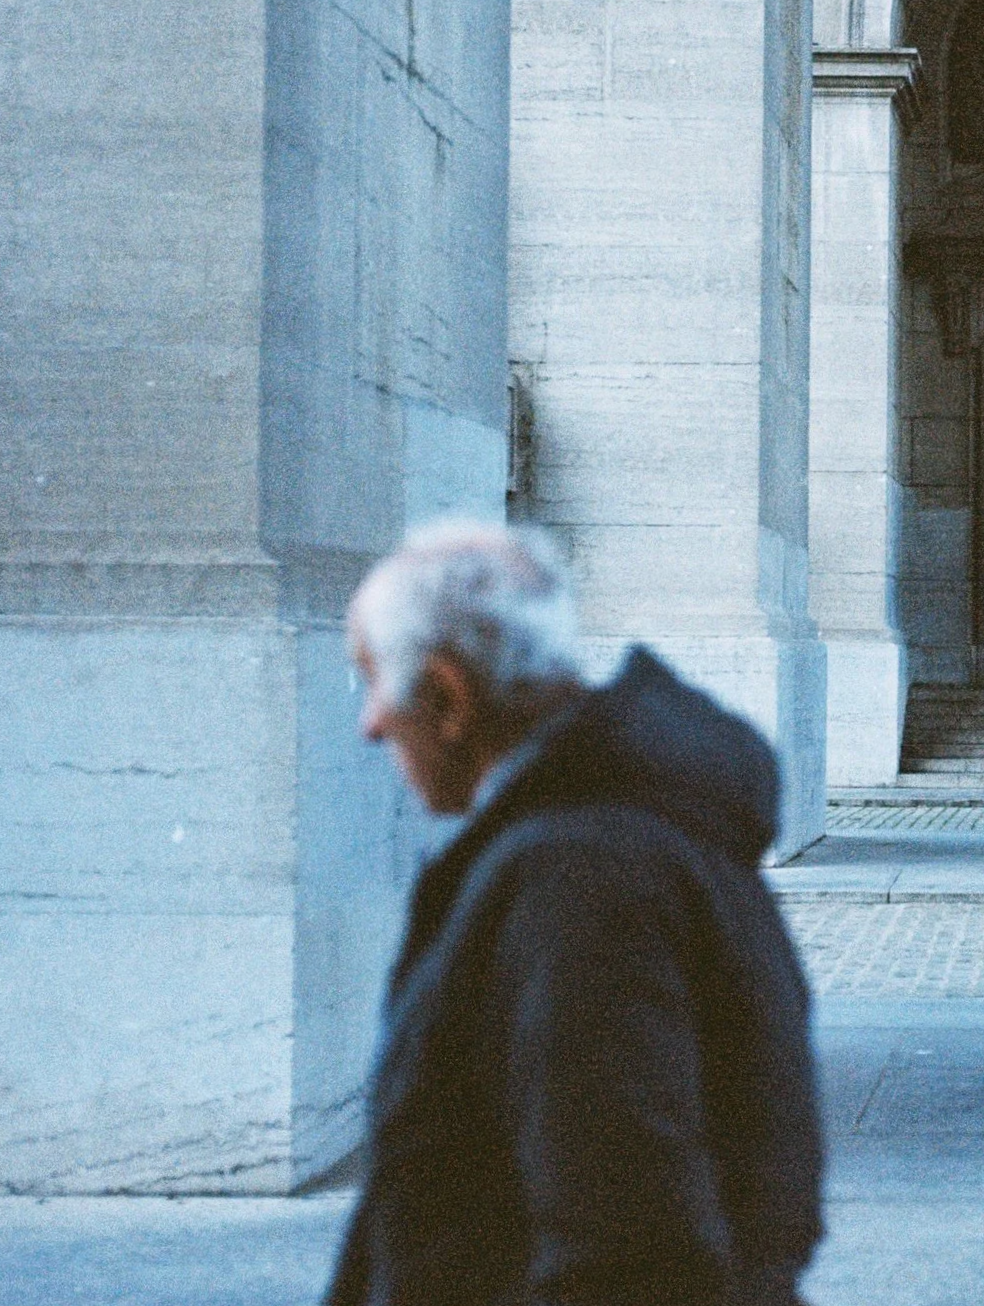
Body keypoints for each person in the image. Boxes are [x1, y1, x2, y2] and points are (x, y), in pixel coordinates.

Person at [324, 521, 823, 1306]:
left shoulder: (578, 874)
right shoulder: (629, 834)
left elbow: (631, 1246)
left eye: (372, 678)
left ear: (450, 696)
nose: (371, 724)